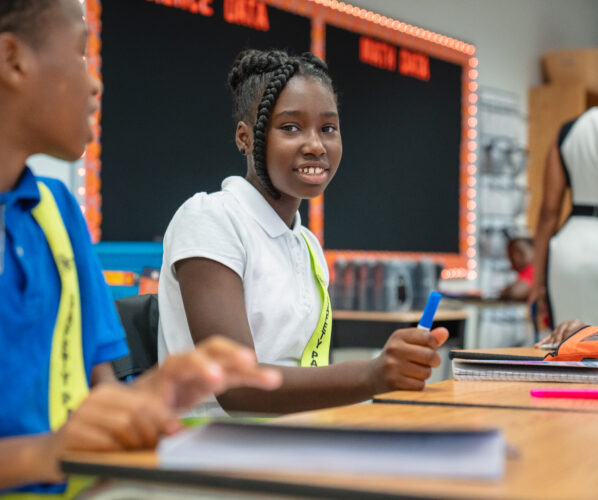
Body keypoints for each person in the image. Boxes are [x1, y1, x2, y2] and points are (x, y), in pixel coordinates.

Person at [0, 1, 281, 498]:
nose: (95, 83)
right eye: (80, 52)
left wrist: (148, 401)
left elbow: (99, 408)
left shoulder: (55, 212)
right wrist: (44, 453)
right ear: (12, 61)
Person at [157, 49, 449, 417]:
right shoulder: (211, 218)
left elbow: (303, 372)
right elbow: (236, 385)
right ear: (245, 138)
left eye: (328, 128)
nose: (315, 145)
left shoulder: (307, 245)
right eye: (291, 127)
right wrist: (373, 374)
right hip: (210, 453)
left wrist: (389, 371)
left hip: (293, 441)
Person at [531, 107, 598, 327]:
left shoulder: (570, 130)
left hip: (570, 251)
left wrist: (537, 282)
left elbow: (549, 213)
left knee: (568, 347)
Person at [499, 237, 535, 301]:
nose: (516, 258)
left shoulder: (532, 269)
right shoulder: (526, 272)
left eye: (520, 252)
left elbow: (517, 292)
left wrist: (508, 291)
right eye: (511, 257)